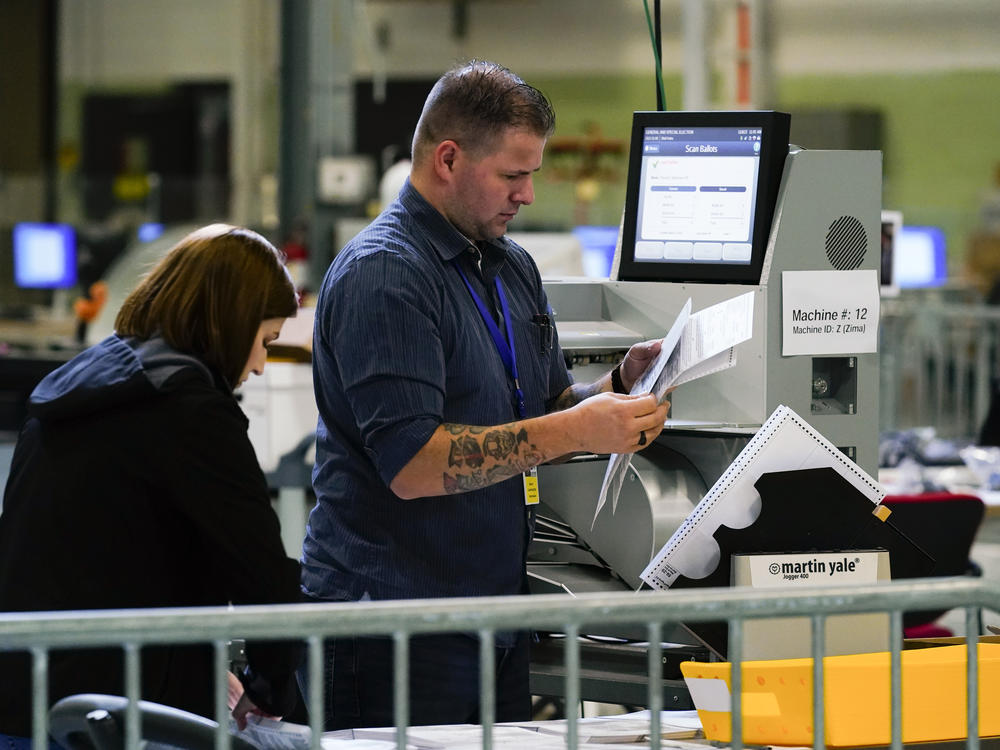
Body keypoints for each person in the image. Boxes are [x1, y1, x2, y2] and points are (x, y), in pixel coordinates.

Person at [300, 60, 669, 729]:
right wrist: (581, 431)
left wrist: (612, 390)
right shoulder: (387, 274)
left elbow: (539, 413)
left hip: (493, 618)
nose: (527, 195)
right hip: (393, 630)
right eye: (513, 175)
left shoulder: (510, 267)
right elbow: (415, 464)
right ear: (448, 158)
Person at [0, 224, 303, 744]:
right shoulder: (191, 411)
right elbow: (261, 574)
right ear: (231, 323)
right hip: (121, 716)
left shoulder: (80, 386)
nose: (257, 366)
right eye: (264, 340)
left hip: (27, 701)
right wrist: (270, 687)